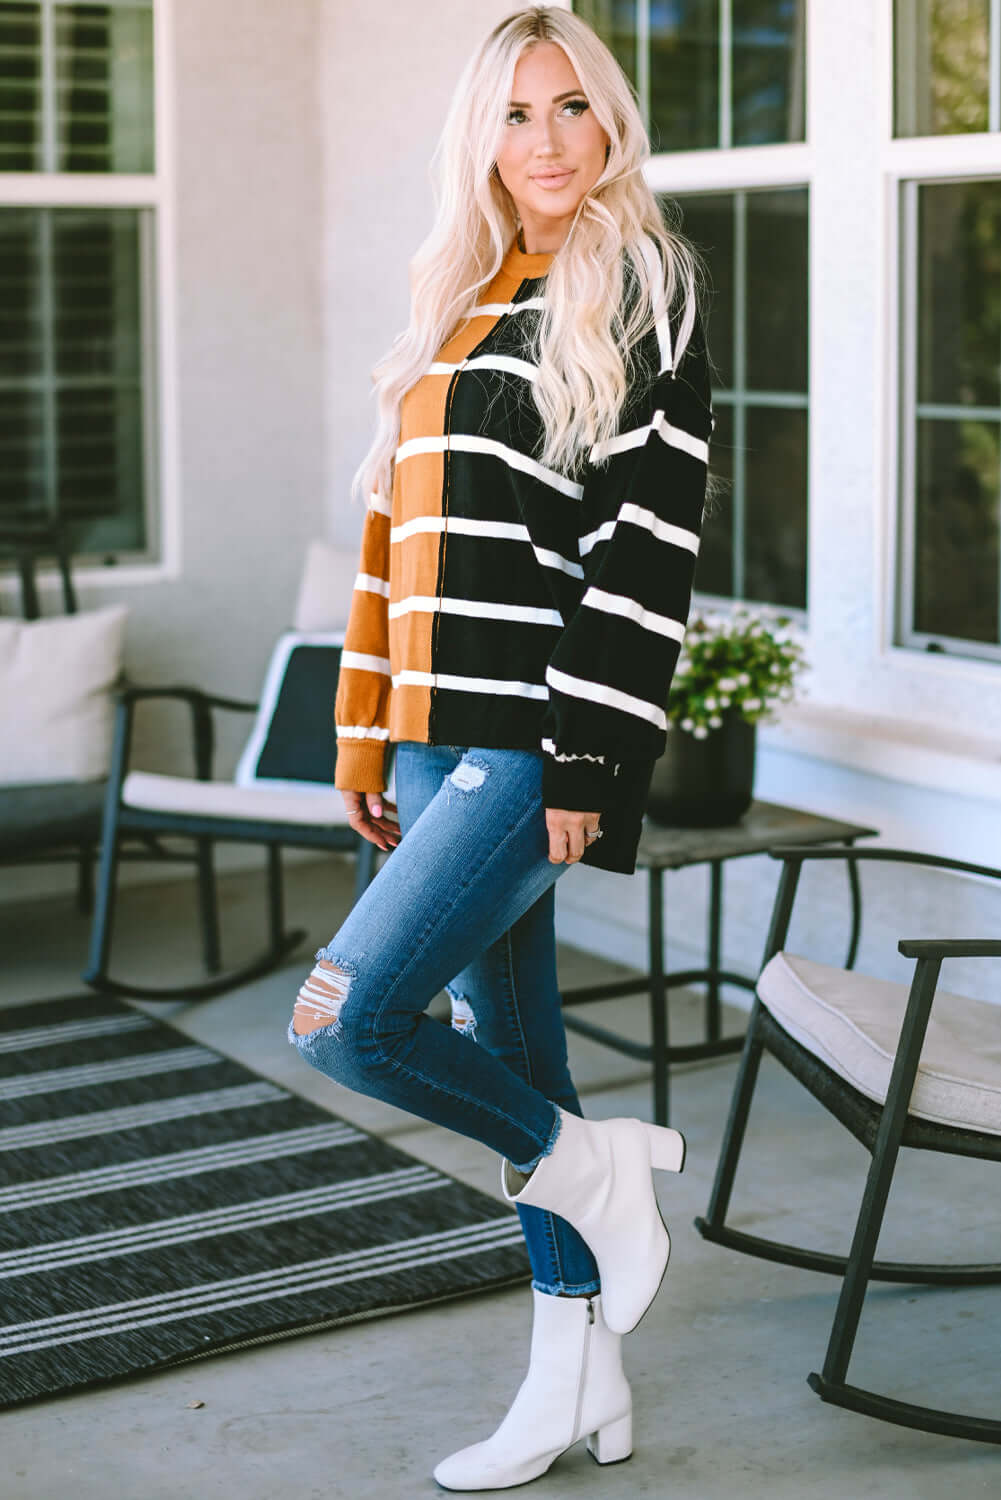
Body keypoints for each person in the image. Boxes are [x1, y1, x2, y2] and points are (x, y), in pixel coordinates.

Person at [288, 5, 716, 1490]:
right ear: (480, 135)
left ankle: (601, 1168)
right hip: (424, 738)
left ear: (611, 121)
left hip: (529, 738)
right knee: (521, 1050)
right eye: (517, 113)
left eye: (572, 106)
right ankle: (574, 1380)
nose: (547, 141)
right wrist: (363, 729)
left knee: (347, 1022)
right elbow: (390, 539)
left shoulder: (643, 286)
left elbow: (644, 551)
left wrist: (590, 762)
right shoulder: (460, 294)